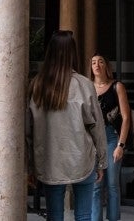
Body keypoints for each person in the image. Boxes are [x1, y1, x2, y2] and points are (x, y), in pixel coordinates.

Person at [27, 31, 106, 221]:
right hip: (82, 158)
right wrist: (102, 160)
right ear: (73, 53)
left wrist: (30, 166)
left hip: (49, 161)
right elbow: (97, 126)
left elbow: (28, 131)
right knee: (84, 216)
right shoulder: (84, 85)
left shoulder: (37, 85)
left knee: (54, 216)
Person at [89, 54, 131, 221]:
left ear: (106, 66)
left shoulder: (117, 86)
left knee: (112, 185)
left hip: (112, 138)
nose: (96, 65)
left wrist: (121, 145)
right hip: (93, 140)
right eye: (93, 62)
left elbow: (126, 117)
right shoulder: (88, 87)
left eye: (100, 62)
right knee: (95, 185)